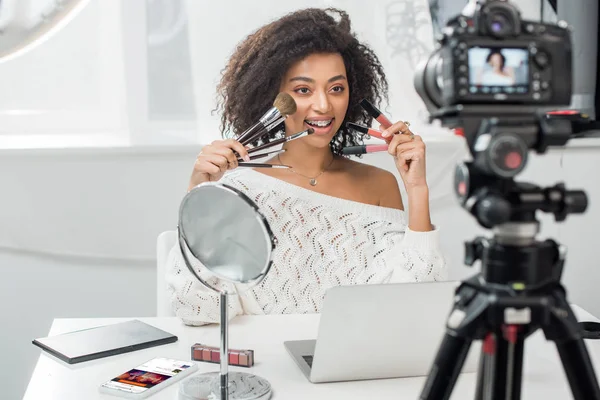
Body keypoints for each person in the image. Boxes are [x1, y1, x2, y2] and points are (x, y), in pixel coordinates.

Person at [166, 8, 447, 326]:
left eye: (336, 88)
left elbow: (408, 308)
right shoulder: (235, 188)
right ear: (272, 96)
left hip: (351, 365)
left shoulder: (380, 185)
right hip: (261, 366)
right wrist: (197, 193)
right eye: (303, 90)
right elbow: (198, 308)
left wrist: (417, 190)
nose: (324, 105)